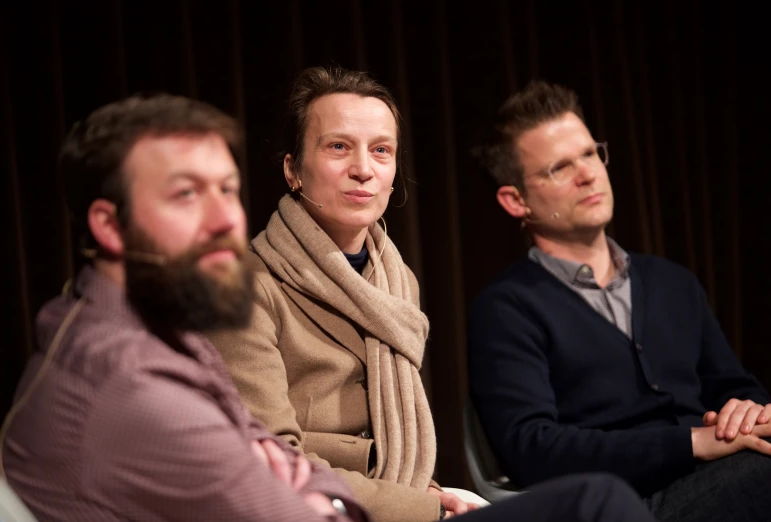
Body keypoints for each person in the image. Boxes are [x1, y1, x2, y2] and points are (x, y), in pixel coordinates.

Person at [207, 66, 659, 522]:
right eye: (338, 147)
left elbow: (395, 445)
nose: (363, 169)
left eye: (381, 151)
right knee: (599, 502)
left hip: (411, 503)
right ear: (293, 170)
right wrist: (426, 507)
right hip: (331, 513)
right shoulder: (245, 287)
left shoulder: (396, 279)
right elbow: (272, 463)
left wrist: (435, 493)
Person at [0, 93, 370, 522]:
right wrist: (330, 502)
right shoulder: (135, 387)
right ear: (110, 225)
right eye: (186, 193)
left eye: (228, 190)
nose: (226, 218)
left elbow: (271, 448)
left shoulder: (148, 325)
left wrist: (307, 484)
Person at [468, 79, 771, 521]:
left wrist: (746, 412)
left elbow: (736, 386)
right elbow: (532, 449)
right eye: (559, 168)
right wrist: (692, 443)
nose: (588, 173)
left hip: (721, 479)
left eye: (590, 153)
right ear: (516, 201)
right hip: (624, 506)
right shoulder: (507, 308)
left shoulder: (673, 282)